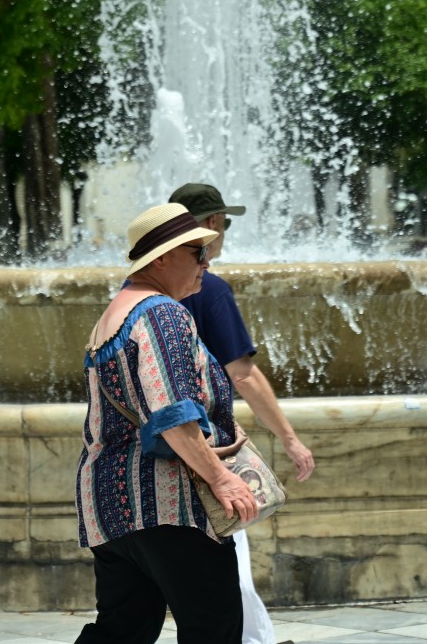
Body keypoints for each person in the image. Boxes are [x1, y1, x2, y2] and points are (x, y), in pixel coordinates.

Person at [75, 203, 259, 644]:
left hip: (109, 506)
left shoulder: (114, 314)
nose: (207, 262)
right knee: (213, 629)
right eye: (197, 252)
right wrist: (221, 479)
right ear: (162, 258)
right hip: (168, 505)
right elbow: (172, 413)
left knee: (122, 631)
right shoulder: (162, 313)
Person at [170, 182, 315, 644]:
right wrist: (290, 438)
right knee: (229, 558)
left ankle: (258, 639)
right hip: (205, 450)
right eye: (224, 223)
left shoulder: (141, 292)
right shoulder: (209, 290)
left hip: (153, 454)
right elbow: (244, 374)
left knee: (146, 600)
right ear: (211, 225)